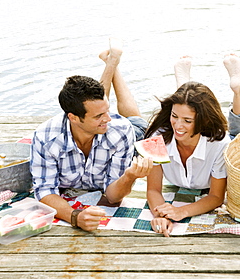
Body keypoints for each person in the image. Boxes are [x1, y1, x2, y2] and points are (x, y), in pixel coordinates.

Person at [30, 38, 153, 232]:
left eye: (107, 111)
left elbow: (113, 196)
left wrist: (129, 176)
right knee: (100, 108)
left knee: (134, 118)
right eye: (99, 116)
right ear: (73, 118)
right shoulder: (45, 138)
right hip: (86, 127)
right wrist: (74, 217)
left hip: (134, 132)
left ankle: (113, 65)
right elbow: (44, 191)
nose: (109, 118)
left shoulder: (120, 130)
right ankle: (112, 63)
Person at [146, 54, 240, 237]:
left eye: (187, 120)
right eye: (174, 116)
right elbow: (153, 189)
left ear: (202, 121)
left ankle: (238, 90)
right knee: (184, 103)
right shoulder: (158, 138)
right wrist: (161, 214)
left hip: (221, 139)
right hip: (192, 132)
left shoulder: (220, 145)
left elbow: (216, 197)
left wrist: (181, 212)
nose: (178, 126)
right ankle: (184, 85)